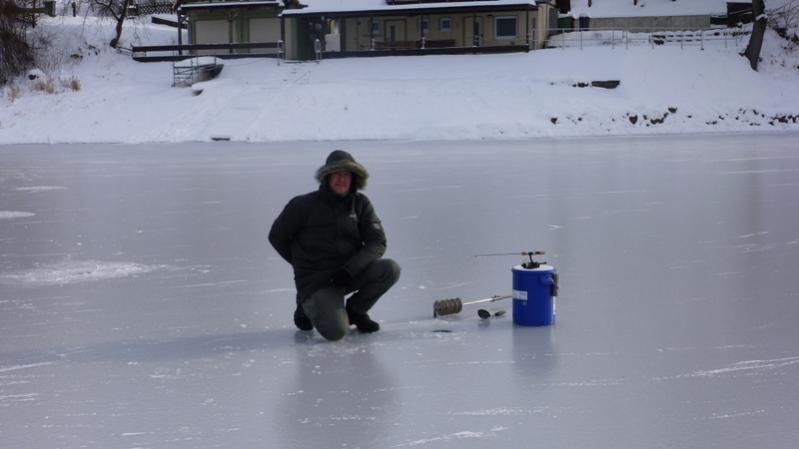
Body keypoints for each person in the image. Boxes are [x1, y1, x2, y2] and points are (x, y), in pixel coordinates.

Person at [269, 150, 400, 341]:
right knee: (336, 332)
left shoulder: (361, 204)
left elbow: (377, 241)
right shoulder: (302, 205)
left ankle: (356, 311)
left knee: (390, 269)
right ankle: (306, 305)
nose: (341, 179)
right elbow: (276, 237)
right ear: (327, 177)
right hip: (317, 280)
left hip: (348, 273)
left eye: (346, 174)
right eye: (336, 173)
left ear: (354, 178)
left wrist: (350, 269)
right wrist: (303, 266)